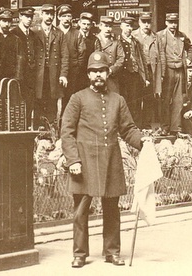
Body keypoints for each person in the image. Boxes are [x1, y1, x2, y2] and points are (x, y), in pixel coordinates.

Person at [60, 51, 152, 268]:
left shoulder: (117, 100)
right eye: (94, 72)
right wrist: (73, 160)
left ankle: (112, 252)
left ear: (108, 72)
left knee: (112, 209)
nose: (98, 75)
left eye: (102, 71)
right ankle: (80, 254)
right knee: (80, 211)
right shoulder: (77, 98)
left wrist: (143, 142)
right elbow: (66, 131)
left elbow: (128, 129)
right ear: (88, 74)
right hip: (84, 163)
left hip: (111, 161)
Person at [157, 13, 192, 136]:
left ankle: (176, 128)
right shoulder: (160, 36)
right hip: (167, 71)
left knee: (178, 100)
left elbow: (191, 48)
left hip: (179, 71)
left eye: (175, 22)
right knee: (166, 100)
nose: (173, 25)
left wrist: (188, 60)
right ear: (166, 23)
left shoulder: (182, 36)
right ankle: (165, 127)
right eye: (171, 22)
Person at [33, 4, 68, 129]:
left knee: (52, 101)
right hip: (38, 74)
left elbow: (65, 56)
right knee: (38, 100)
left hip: (53, 74)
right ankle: (39, 129)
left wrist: (63, 74)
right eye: (46, 14)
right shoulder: (34, 31)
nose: (49, 17)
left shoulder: (59, 33)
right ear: (41, 14)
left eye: (51, 14)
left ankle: (51, 129)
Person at [4, 7, 38, 128]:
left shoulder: (33, 35)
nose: (29, 19)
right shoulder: (13, 33)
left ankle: (27, 128)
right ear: (20, 18)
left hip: (31, 76)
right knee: (17, 106)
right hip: (18, 76)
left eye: (31, 17)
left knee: (29, 104)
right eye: (26, 17)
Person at [116, 16, 149, 128]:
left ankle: (135, 127)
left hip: (135, 75)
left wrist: (146, 77)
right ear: (121, 26)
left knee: (135, 102)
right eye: (126, 26)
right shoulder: (116, 40)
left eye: (130, 26)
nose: (129, 28)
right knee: (123, 101)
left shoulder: (136, 42)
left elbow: (142, 60)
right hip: (121, 76)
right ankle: (123, 127)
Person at [132, 12, 159, 128]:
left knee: (149, 98)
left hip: (150, 69)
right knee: (136, 97)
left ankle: (146, 124)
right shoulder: (133, 35)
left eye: (148, 22)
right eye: (144, 22)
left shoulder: (155, 37)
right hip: (137, 71)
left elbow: (159, 54)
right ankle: (136, 124)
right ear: (139, 22)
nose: (146, 25)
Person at [57, 4, 84, 113]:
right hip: (55, 71)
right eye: (63, 16)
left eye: (69, 16)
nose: (67, 19)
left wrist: (76, 68)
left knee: (69, 100)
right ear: (58, 17)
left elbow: (82, 53)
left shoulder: (77, 34)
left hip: (72, 73)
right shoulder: (55, 31)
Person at [95, 15, 124, 93]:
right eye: (106, 26)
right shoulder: (95, 40)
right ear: (100, 26)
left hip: (112, 76)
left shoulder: (116, 42)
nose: (108, 29)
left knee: (113, 100)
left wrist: (111, 70)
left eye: (110, 26)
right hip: (97, 76)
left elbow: (121, 58)